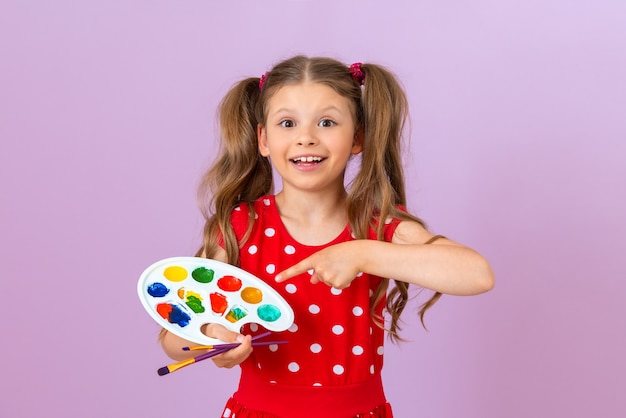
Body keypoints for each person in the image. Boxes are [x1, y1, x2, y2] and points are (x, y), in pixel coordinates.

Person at [159, 55, 494, 417]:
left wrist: (363, 254)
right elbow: (171, 337)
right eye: (287, 123)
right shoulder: (241, 227)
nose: (306, 138)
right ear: (264, 139)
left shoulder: (377, 228)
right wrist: (212, 334)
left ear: (357, 137)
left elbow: (477, 274)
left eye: (327, 122)